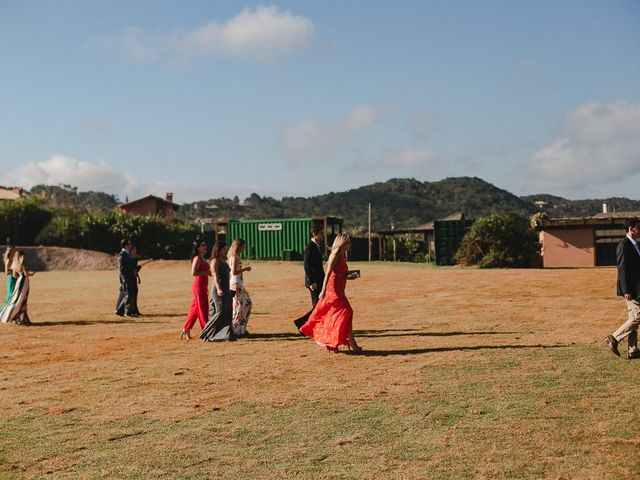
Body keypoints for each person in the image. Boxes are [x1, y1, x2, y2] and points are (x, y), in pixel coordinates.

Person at [299, 233, 361, 353]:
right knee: (347, 311)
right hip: (334, 290)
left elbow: (341, 273)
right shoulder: (335, 255)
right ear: (342, 243)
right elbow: (328, 274)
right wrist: (323, 291)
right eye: (348, 242)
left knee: (339, 314)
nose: (350, 244)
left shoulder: (343, 255)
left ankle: (334, 342)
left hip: (340, 288)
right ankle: (351, 342)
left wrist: (350, 275)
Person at [606, 217, 640, 359]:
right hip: (630, 289)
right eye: (639, 227)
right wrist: (625, 290)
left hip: (638, 287)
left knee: (633, 317)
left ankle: (633, 350)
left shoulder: (636, 245)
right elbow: (622, 268)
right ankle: (614, 337)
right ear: (632, 229)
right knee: (638, 316)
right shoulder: (624, 245)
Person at [200, 241, 235, 341]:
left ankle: (227, 334)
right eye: (224, 249)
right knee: (220, 311)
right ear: (219, 250)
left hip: (226, 288)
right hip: (218, 289)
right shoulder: (215, 260)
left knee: (228, 311)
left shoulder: (223, 260)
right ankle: (205, 332)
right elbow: (214, 276)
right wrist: (219, 289)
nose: (226, 250)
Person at [181, 238, 211, 339]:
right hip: (199, 286)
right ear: (197, 248)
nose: (205, 246)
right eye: (202, 245)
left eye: (205, 245)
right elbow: (193, 273)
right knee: (203, 309)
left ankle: (186, 328)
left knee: (195, 309)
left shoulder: (202, 257)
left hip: (203, 285)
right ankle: (206, 331)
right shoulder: (197, 258)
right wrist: (207, 272)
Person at [0, 249, 32, 324]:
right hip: (22, 281)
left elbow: (14, 274)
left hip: (18, 280)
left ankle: (21, 317)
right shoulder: (20, 262)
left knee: (16, 298)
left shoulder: (15, 262)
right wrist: (30, 274)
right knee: (19, 299)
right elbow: (25, 274)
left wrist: (19, 276)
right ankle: (19, 317)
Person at [228, 238, 252, 336]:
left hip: (236, 283)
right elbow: (234, 272)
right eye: (243, 246)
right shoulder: (234, 258)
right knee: (242, 305)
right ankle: (236, 329)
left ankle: (239, 328)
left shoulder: (234, 257)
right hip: (236, 284)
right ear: (239, 246)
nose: (244, 248)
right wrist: (245, 269)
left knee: (242, 305)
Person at [115, 239, 138, 317]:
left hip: (130, 277)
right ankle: (126, 312)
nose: (131, 245)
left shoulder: (127, 254)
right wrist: (125, 279)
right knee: (128, 294)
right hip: (126, 278)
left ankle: (120, 311)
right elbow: (122, 269)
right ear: (126, 245)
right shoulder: (122, 254)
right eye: (129, 244)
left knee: (130, 294)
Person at [304, 227, 325, 308]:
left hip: (319, 280)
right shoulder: (309, 247)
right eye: (321, 233)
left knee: (320, 303)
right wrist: (311, 282)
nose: (323, 235)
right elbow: (307, 266)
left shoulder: (318, 246)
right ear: (314, 234)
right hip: (314, 281)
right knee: (316, 305)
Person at [130, 244, 143, 316]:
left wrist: (138, 276)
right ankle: (133, 310)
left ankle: (135, 310)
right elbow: (132, 270)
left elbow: (135, 270)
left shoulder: (134, 258)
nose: (136, 250)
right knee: (132, 295)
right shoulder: (130, 258)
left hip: (134, 278)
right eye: (134, 249)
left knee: (135, 294)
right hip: (130, 278)